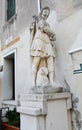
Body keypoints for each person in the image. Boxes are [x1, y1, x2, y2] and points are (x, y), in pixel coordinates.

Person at [30, 6, 57, 87]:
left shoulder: (47, 24)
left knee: (50, 60)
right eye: (45, 12)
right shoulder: (37, 21)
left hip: (47, 42)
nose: (46, 15)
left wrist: (52, 35)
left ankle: (52, 81)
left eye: (47, 14)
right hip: (39, 41)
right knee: (36, 61)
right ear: (41, 12)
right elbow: (43, 28)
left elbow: (52, 36)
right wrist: (51, 33)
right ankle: (33, 83)